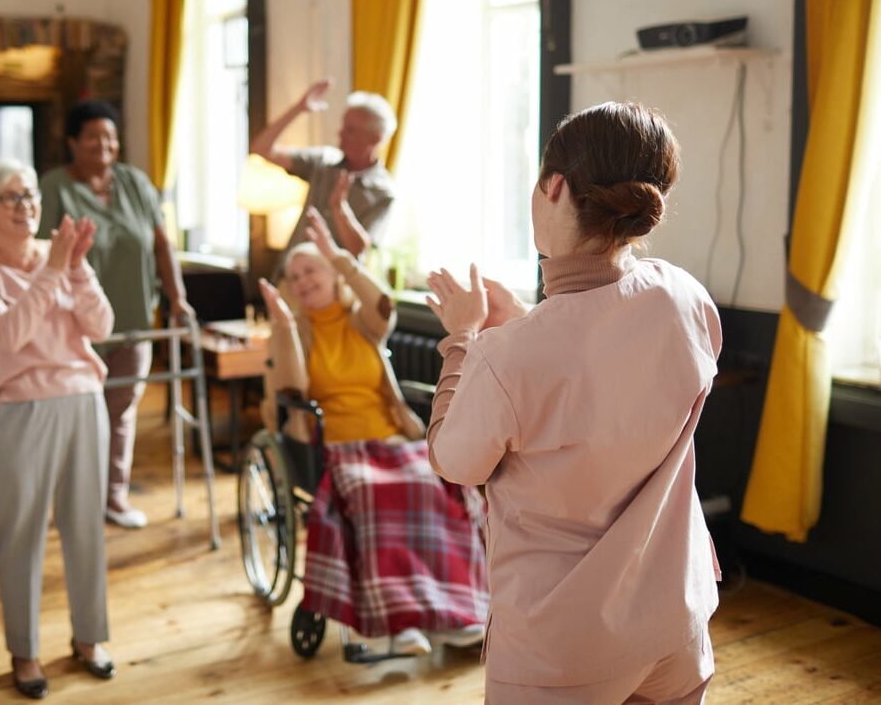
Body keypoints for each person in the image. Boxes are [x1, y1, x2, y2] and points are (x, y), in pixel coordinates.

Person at [425, 101, 723, 703]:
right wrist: (528, 324)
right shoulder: (686, 298)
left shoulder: (507, 357)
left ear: (554, 186)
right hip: (676, 623)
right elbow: (604, 363)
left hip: (563, 648)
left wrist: (463, 339)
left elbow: (453, 461)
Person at [259, 208, 488, 656]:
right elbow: (290, 390)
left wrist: (341, 256)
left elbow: (384, 302)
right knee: (373, 493)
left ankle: (450, 613)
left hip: (391, 439)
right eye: (295, 275)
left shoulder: (363, 324)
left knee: (439, 485)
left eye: (312, 270)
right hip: (338, 449)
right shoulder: (295, 333)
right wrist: (285, 327)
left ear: (331, 274)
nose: (304, 280)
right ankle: (397, 622)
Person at [0, 158, 117, 699]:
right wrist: (53, 271)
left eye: (30, 196)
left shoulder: (60, 256)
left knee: (86, 528)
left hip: (84, 401)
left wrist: (78, 267)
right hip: (21, 412)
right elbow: (10, 334)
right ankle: (24, 652)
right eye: (12, 198)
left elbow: (101, 325)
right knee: (21, 535)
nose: (26, 207)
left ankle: (90, 638)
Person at [38, 100, 193, 530]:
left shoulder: (135, 183)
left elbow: (162, 244)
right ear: (72, 142)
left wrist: (177, 299)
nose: (103, 145)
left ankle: (112, 496)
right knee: (73, 411)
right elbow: (42, 255)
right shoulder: (55, 187)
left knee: (120, 411)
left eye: (110, 136)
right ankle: (71, 498)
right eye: (92, 136)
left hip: (133, 322)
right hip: (74, 326)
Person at [250, 78, 397, 259]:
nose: (340, 133)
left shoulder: (383, 192)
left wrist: (339, 208)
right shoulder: (323, 161)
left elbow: (359, 249)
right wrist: (298, 109)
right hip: (289, 276)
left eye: (350, 130)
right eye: (343, 125)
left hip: (329, 285)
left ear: (375, 138)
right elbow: (261, 149)